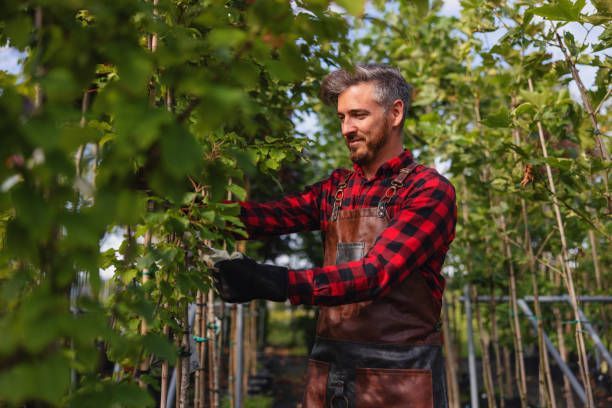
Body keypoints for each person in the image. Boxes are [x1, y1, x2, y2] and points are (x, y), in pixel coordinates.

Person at [213, 64, 457, 407]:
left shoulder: (428, 190)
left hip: (398, 378)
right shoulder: (336, 190)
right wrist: (199, 208)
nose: (347, 128)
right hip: (331, 372)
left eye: (358, 115)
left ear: (396, 113)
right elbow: (268, 217)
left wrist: (272, 281)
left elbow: (374, 274)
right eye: (342, 117)